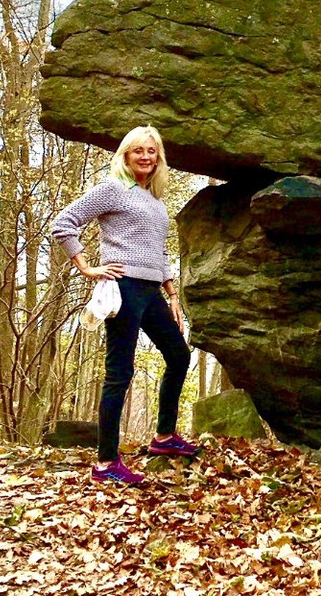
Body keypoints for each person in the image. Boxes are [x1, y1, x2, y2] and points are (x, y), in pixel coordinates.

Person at [52, 125, 198, 484]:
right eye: (138, 151)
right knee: (120, 373)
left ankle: (164, 437)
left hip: (151, 291)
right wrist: (86, 266)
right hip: (123, 288)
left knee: (178, 355)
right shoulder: (113, 190)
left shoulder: (155, 200)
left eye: (152, 151)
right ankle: (105, 463)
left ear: (158, 158)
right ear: (125, 155)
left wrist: (173, 293)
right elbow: (64, 224)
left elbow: (158, 250)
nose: (146, 157)